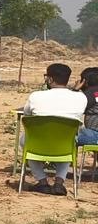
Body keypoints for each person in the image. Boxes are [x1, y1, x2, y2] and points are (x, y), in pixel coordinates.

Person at [21, 63, 87, 195]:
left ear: (50, 79)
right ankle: (59, 182)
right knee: (69, 140)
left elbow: (26, 114)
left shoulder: (35, 96)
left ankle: (42, 182)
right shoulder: (81, 98)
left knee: (24, 140)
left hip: (37, 144)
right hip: (64, 147)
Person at [73, 67, 98, 148]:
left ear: (85, 82)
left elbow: (71, 107)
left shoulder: (90, 94)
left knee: (66, 137)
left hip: (94, 135)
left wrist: (75, 90)